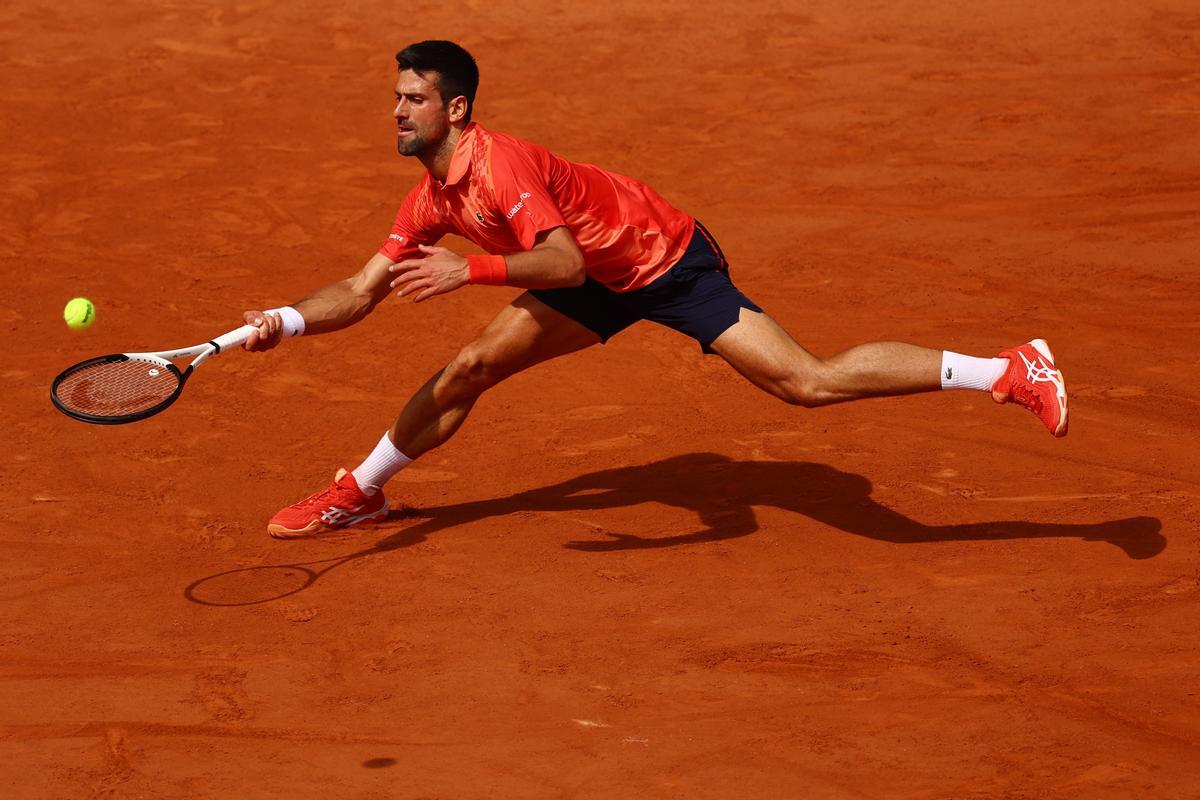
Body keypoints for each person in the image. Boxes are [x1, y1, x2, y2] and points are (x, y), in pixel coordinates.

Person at [243, 40, 1068, 539]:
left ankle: (1006, 371)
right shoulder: (430, 197)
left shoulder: (502, 166)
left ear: (456, 108)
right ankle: (359, 494)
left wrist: (472, 268)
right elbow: (359, 290)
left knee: (804, 382)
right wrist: (282, 321)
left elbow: (561, 263)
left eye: (413, 99)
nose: (396, 111)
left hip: (661, 259)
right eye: (394, 98)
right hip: (591, 276)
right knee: (470, 367)